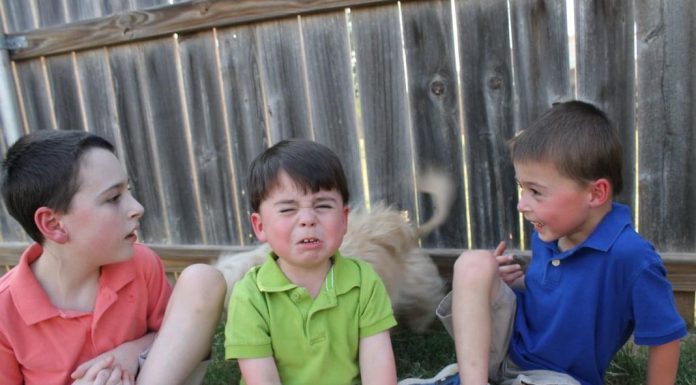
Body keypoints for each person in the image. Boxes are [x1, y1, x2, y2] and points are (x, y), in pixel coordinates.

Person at [438, 101, 687, 385]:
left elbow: (666, 337)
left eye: (535, 191)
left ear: (595, 193)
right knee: (474, 263)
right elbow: (552, 298)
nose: (521, 204)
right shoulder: (549, 234)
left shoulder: (633, 258)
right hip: (498, 350)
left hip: (556, 378)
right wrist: (505, 282)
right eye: (522, 188)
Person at [0, 129, 226, 385]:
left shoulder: (141, 264)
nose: (137, 208)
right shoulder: (4, 313)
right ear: (53, 224)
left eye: (128, 191)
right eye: (114, 198)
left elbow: (174, 336)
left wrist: (130, 352)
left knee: (203, 279)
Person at [224, 139, 397, 385]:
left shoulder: (364, 282)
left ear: (344, 219)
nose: (307, 219)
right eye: (287, 209)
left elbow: (378, 366)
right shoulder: (250, 296)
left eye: (323, 205)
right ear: (260, 227)